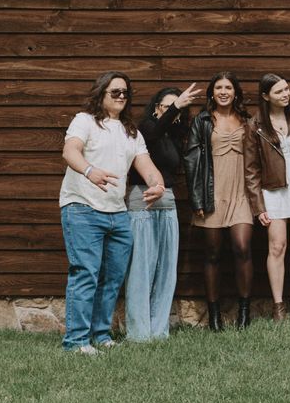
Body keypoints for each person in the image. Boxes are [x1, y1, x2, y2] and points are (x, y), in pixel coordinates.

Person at [59, 71, 165, 355]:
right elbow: (70, 151)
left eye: (125, 92)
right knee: (86, 274)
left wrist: (158, 184)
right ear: (101, 93)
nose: (120, 96)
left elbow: (146, 164)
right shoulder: (85, 121)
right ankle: (76, 342)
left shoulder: (131, 132)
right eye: (114, 91)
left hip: (117, 213)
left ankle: (101, 334)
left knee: (113, 277)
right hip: (82, 207)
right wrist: (90, 171)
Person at [124, 82, 197, 343]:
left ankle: (159, 331)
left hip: (168, 204)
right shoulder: (143, 130)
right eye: (166, 107)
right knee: (141, 269)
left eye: (177, 109)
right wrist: (175, 107)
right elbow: (153, 134)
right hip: (141, 202)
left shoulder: (176, 137)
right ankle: (139, 334)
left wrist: (176, 115)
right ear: (156, 108)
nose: (172, 113)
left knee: (166, 270)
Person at [186, 72, 255, 330]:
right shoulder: (202, 120)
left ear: (235, 92)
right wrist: (197, 199)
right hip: (211, 194)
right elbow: (191, 160)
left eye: (228, 87)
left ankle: (244, 313)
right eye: (219, 88)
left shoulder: (247, 120)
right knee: (213, 253)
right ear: (212, 93)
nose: (224, 92)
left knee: (242, 248)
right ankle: (214, 317)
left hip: (241, 194)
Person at [246, 73, 290, 322]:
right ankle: (278, 305)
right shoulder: (255, 126)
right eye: (278, 92)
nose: (285, 95)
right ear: (265, 96)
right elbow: (250, 169)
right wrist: (257, 205)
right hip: (273, 191)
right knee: (277, 246)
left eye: (286, 89)